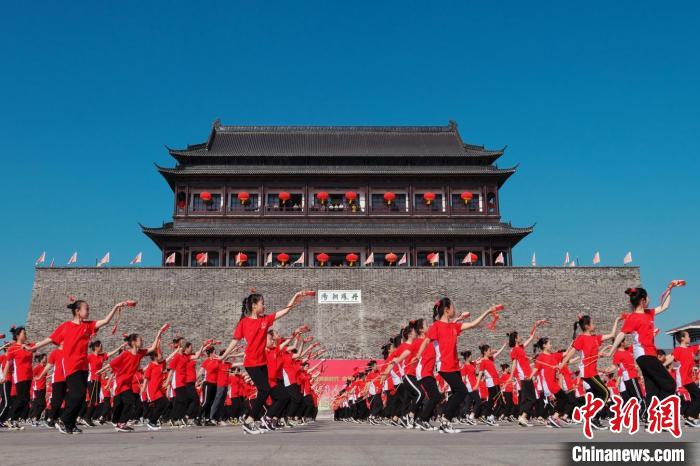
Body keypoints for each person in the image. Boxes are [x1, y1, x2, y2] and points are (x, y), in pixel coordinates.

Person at [27, 299, 129, 434]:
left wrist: (116, 306)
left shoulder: (88, 325)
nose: (88, 311)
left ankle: (70, 423)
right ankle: (63, 420)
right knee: (78, 394)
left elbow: (105, 321)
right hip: (72, 366)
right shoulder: (66, 326)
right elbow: (50, 339)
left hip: (83, 367)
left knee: (81, 398)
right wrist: (32, 348)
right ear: (77, 311)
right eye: (86, 309)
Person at [219, 290, 313, 434]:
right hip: (251, 363)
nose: (264, 306)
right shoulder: (243, 323)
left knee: (278, 395)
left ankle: (267, 419)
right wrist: (223, 356)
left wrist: (295, 296)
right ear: (254, 306)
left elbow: (285, 311)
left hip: (262, 363)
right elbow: (234, 341)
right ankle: (249, 421)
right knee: (264, 390)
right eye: (262, 303)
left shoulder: (265, 320)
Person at [413, 297, 501, 433]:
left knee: (458, 394)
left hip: (454, 367)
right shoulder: (436, 326)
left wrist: (488, 312)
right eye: (453, 307)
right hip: (444, 366)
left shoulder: (453, 326)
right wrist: (418, 355)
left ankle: (441, 420)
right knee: (462, 391)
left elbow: (472, 324)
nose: (455, 309)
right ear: (447, 310)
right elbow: (426, 341)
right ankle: (445, 420)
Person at [608, 286, 679, 408]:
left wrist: (670, 288)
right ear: (643, 300)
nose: (649, 299)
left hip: (649, 355)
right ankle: (657, 411)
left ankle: (650, 419)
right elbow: (621, 334)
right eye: (648, 297)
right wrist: (611, 351)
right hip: (644, 355)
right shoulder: (633, 317)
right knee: (670, 385)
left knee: (653, 389)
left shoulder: (648, 313)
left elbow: (664, 306)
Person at [99, 325, 166, 432]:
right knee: (129, 401)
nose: (142, 341)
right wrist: (100, 371)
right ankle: (121, 423)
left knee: (127, 402)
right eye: (140, 340)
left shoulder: (139, 353)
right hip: (121, 381)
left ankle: (119, 422)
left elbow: (152, 348)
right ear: (134, 342)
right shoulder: (125, 354)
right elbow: (112, 363)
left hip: (128, 383)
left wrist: (159, 333)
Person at [561, 314, 621, 430]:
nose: (595, 325)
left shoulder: (595, 338)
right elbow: (572, 352)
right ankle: (593, 418)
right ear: (587, 326)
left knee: (598, 395)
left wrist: (617, 320)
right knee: (606, 393)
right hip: (588, 372)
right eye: (592, 323)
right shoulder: (581, 338)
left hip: (593, 372)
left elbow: (612, 335)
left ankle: (594, 419)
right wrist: (562, 364)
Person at [507, 319, 547, 427]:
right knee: (532, 398)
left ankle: (523, 417)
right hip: (524, 376)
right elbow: (514, 363)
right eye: (518, 336)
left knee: (527, 398)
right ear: (515, 339)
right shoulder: (514, 350)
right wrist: (511, 376)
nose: (520, 338)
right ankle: (523, 416)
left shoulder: (520, 348)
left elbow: (531, 337)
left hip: (528, 375)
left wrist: (535, 325)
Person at [2, 326, 34, 429]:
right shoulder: (13, 348)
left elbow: (37, 345)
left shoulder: (29, 346)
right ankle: (9, 418)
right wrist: (3, 377)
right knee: (21, 399)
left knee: (25, 399)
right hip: (20, 376)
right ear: (18, 335)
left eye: (25, 333)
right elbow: (8, 364)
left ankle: (14, 420)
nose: (25, 335)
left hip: (29, 376)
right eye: (23, 333)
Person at [671, 331, 700, 427]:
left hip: (689, 379)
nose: (690, 338)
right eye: (688, 336)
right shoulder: (678, 349)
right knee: (697, 396)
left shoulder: (691, 349)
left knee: (695, 398)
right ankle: (690, 416)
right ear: (682, 338)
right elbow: (671, 359)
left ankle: (690, 417)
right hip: (683, 380)